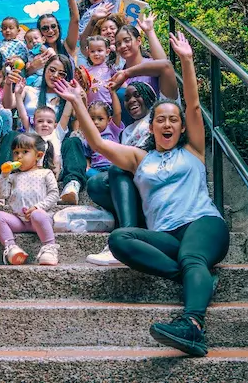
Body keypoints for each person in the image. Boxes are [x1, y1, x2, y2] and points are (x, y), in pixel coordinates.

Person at [53, 32, 230, 358]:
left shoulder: (193, 150)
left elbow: (192, 103)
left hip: (203, 224)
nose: (167, 124)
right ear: (151, 128)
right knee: (121, 240)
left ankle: (193, 325)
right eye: (160, 120)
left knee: (192, 256)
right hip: (166, 235)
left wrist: (187, 62)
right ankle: (197, 278)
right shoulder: (140, 159)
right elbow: (100, 145)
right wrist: (78, 102)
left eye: (173, 121)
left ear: (180, 127)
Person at [0, 55, 88, 204]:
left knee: (73, 141)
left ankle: (72, 186)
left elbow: (73, 117)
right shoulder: (29, 90)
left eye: (62, 73)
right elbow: (10, 105)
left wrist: (75, 95)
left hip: (55, 158)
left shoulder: (66, 104)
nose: (55, 75)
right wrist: (9, 84)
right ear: (45, 70)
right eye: (52, 70)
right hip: (27, 150)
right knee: (13, 135)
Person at [85, 81, 158, 265]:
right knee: (95, 184)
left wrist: (127, 74)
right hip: (132, 182)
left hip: (152, 178)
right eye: (126, 98)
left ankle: (126, 239)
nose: (131, 100)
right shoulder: (126, 132)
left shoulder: (157, 119)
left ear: (150, 96)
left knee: (117, 169)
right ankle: (134, 223)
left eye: (137, 95)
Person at [0, 133, 61, 266]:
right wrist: (4, 175)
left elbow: (54, 194)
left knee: (37, 215)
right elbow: (2, 195)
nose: (19, 156)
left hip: (41, 219)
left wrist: (38, 207)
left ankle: (49, 247)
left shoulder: (45, 173)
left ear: (38, 155)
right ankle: (11, 248)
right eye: (16, 152)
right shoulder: (13, 177)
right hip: (19, 220)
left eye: (25, 152)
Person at [36, 0, 81, 64]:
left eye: (53, 26)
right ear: (40, 32)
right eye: (45, 28)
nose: (50, 31)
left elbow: (75, 19)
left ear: (58, 28)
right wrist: (33, 67)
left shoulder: (67, 46)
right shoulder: (36, 51)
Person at [83, 93, 123, 178]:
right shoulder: (88, 136)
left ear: (108, 120)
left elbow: (118, 113)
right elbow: (87, 155)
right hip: (96, 169)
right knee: (87, 173)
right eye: (92, 119)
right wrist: (87, 166)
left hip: (112, 166)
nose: (95, 122)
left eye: (100, 119)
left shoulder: (113, 129)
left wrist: (113, 92)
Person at [82, 35, 116, 105]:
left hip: (107, 106)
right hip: (90, 107)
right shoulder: (85, 72)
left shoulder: (110, 69)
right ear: (88, 52)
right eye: (92, 51)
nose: (96, 54)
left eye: (100, 50)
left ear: (107, 52)